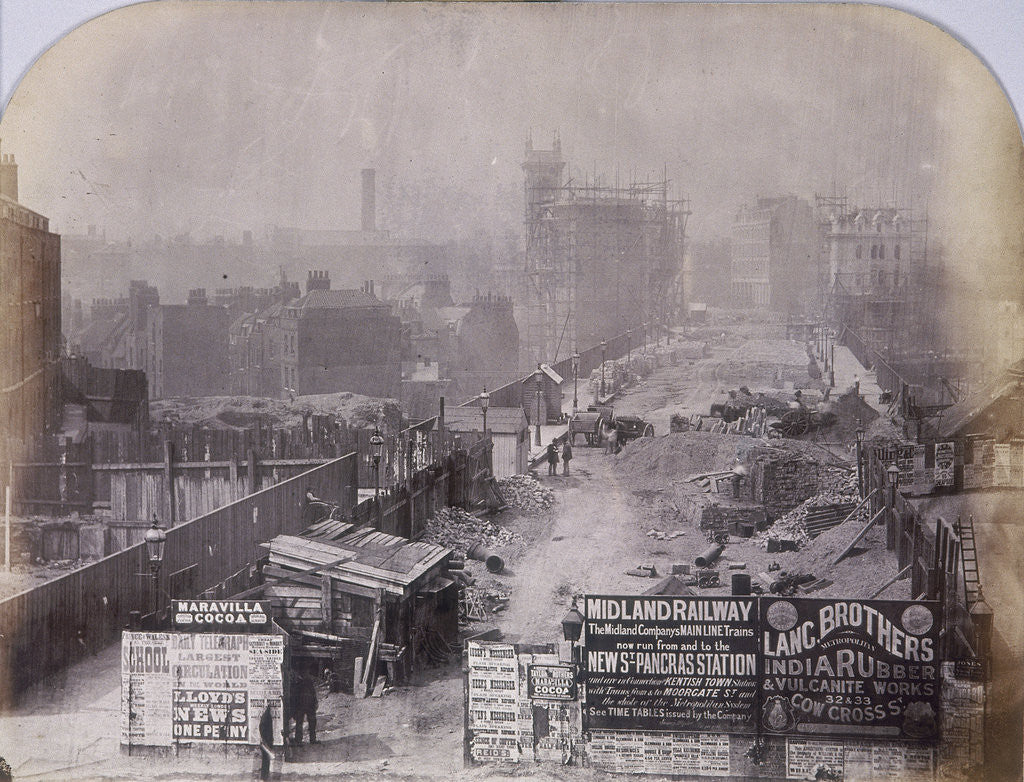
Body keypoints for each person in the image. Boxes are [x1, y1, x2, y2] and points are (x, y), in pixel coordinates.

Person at [291, 669, 318, 745]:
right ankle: (299, 740)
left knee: (312, 723)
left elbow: (313, 693)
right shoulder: (297, 682)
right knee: (300, 723)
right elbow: (294, 696)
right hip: (301, 705)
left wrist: (315, 702)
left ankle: (312, 739)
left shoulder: (308, 681)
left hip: (309, 705)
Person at [258, 705, 275, 781]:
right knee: (266, 760)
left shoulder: (265, 716)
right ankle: (264, 776)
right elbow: (262, 728)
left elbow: (261, 727)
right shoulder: (267, 717)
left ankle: (264, 776)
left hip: (265, 741)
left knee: (265, 760)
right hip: (267, 742)